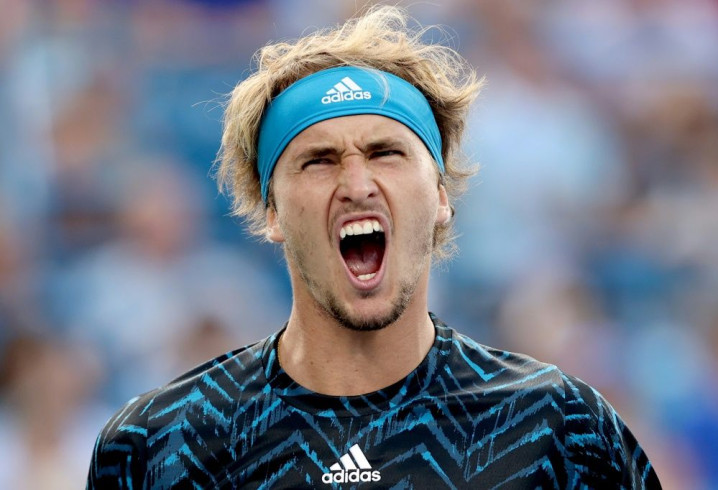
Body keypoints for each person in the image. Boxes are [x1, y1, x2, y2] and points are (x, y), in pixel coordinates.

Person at [86, 6, 661, 489]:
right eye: (319, 160)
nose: (357, 185)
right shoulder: (159, 443)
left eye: (386, 152)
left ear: (440, 194)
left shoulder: (560, 428)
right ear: (271, 212)